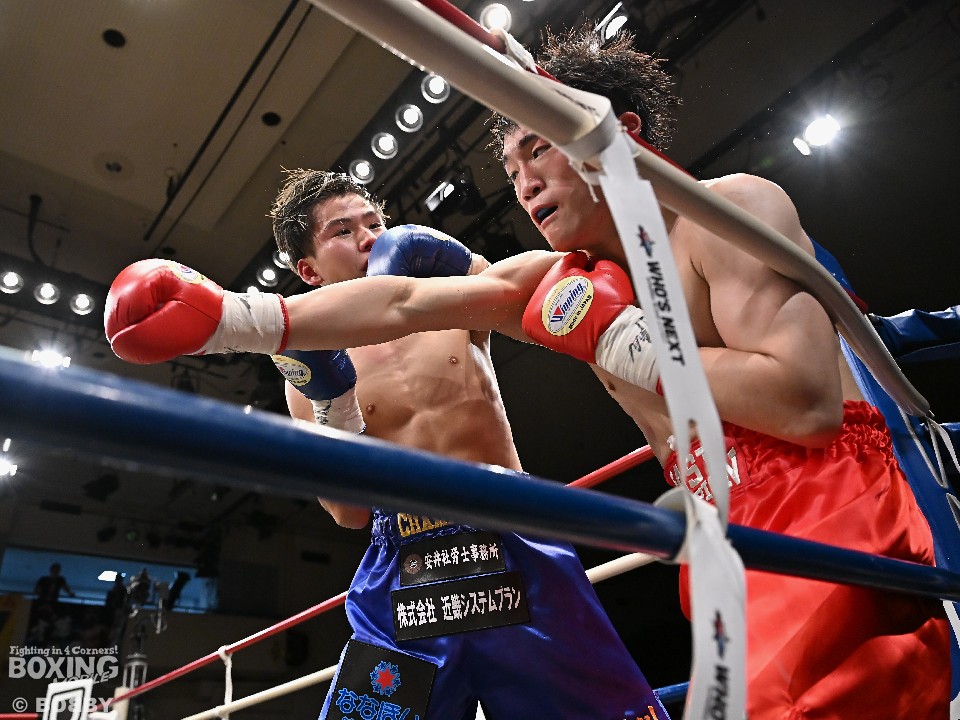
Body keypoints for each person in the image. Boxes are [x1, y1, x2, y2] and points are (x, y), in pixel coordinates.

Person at [103, 27, 949, 717]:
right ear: (305, 266)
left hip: (801, 505)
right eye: (510, 171)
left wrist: (620, 340)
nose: (523, 184)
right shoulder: (553, 284)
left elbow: (805, 407)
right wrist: (233, 319)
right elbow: (397, 312)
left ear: (614, 135)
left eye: (538, 149)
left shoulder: (725, 211)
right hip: (444, 556)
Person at [107, 170, 670, 719]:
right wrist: (336, 409)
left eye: (375, 223)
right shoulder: (304, 371)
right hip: (404, 565)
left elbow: (529, 286)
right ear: (308, 269)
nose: (370, 238)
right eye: (343, 231)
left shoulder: (451, 302)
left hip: (511, 531)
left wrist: (463, 260)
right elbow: (348, 513)